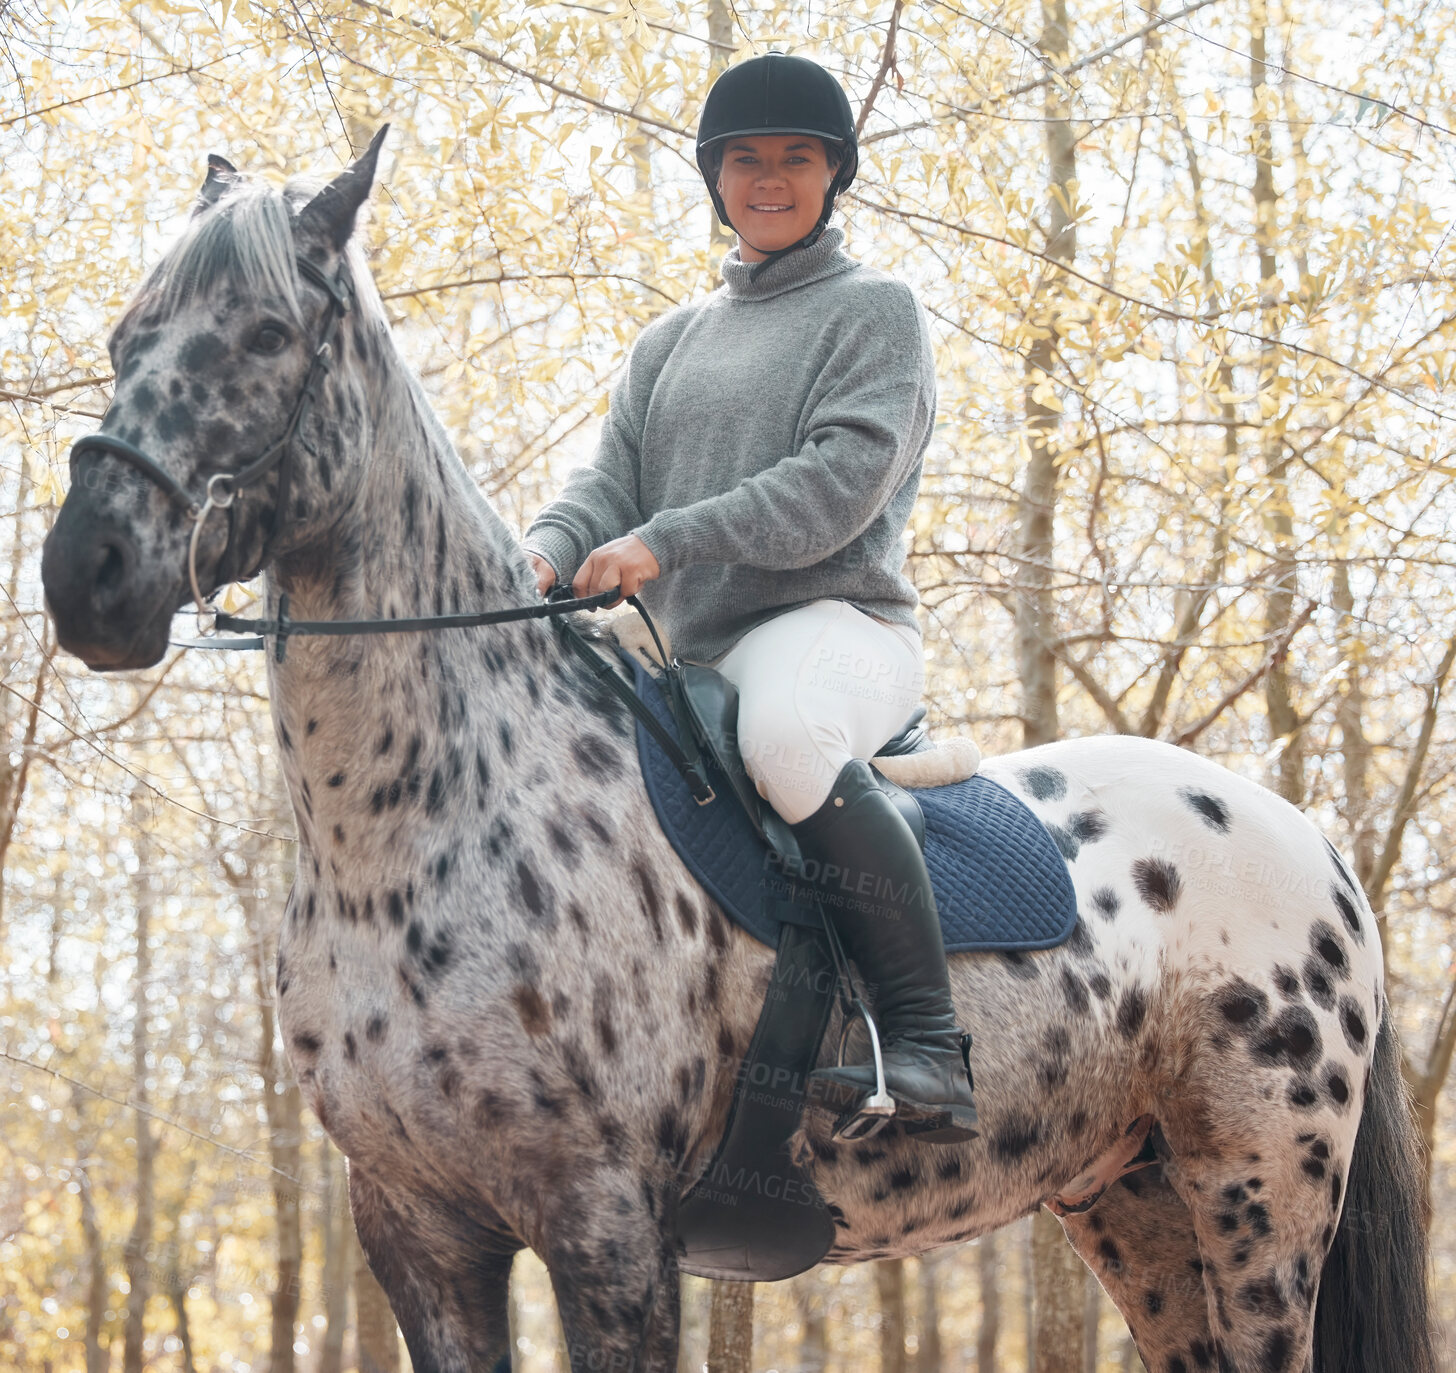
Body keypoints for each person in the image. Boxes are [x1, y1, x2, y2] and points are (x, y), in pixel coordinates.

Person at [523, 52, 977, 1143]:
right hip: (694, 663)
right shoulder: (669, 341)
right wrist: (542, 549)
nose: (768, 178)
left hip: (837, 630)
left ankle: (927, 1044)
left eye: (795, 158)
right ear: (714, 178)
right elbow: (607, 484)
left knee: (781, 732)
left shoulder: (875, 311)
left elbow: (832, 487)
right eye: (745, 161)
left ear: (833, 175)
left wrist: (663, 542)